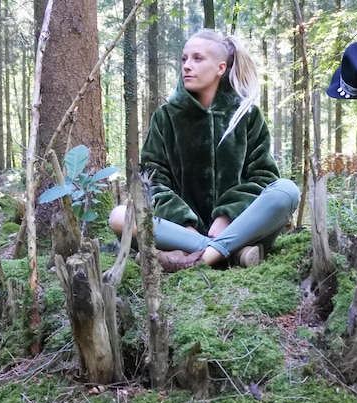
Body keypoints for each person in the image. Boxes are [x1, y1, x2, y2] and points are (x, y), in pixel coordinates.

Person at [109, 28, 299, 272]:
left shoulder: (248, 115)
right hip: (180, 232)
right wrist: (184, 225)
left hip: (241, 229)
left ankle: (193, 257)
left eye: (198, 58)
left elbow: (263, 176)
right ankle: (226, 254)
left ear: (221, 67)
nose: (187, 65)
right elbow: (153, 183)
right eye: (184, 58)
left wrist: (227, 216)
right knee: (118, 216)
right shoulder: (165, 118)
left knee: (287, 190)